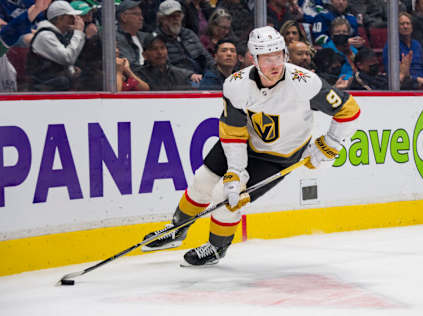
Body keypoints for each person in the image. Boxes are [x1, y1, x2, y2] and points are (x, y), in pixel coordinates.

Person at [140, 26, 361, 266]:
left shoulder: (304, 82)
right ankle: (177, 228)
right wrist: (236, 172)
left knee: (225, 198)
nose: (275, 64)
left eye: (278, 55)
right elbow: (233, 131)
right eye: (267, 58)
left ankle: (216, 247)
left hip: (278, 157)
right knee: (202, 180)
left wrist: (330, 145)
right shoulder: (236, 84)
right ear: (253, 59)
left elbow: (349, 110)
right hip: (245, 142)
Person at [25, 0, 86, 91]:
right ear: (59, 19)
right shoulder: (45, 36)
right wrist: (78, 33)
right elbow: (67, 58)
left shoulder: (59, 35)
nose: (74, 20)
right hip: (42, 92)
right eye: (70, 16)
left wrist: (72, 71)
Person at [0, 0, 51, 92]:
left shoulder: (6, 57)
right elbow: (11, 31)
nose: (1, 30)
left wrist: (37, 8)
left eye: (3, 27)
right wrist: (36, 9)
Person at [156, 0, 215, 74]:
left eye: (178, 15)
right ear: (162, 19)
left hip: (202, 74)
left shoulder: (189, 33)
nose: (176, 19)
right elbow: (164, 66)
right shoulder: (157, 39)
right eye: (172, 16)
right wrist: (189, 75)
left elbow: (207, 56)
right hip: (179, 80)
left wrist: (217, 69)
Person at [383, 12, 423, 89]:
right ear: (396, 27)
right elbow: (391, 73)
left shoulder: (417, 44)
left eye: (408, 23)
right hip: (406, 83)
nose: (405, 26)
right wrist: (417, 79)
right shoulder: (392, 46)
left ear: (412, 27)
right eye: (402, 24)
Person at [136, 32, 202, 90]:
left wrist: (195, 79)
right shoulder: (138, 76)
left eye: (162, 48)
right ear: (144, 55)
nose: (160, 52)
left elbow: (195, 88)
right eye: (154, 49)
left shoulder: (178, 74)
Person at [349, 46, 417, 90]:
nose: (375, 64)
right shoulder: (358, 79)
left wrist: (406, 74)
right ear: (360, 65)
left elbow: (411, 86)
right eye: (371, 61)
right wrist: (401, 76)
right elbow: (376, 94)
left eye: (376, 61)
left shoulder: (380, 76)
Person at [116, 0, 147, 69]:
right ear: (123, 17)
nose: (141, 18)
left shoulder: (145, 37)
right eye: (136, 14)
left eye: (141, 14)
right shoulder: (116, 38)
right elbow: (129, 65)